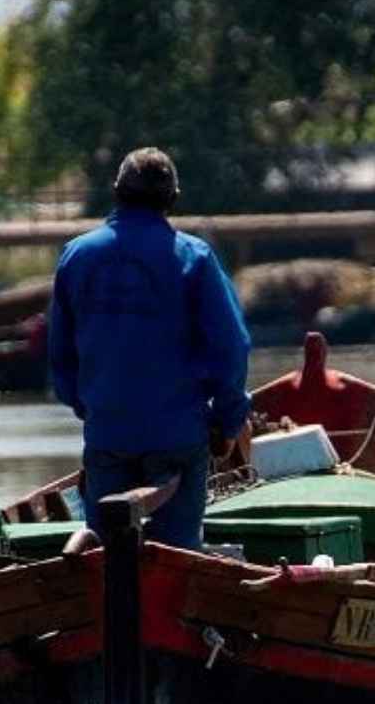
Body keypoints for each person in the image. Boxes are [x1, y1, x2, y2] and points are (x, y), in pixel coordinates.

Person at [47, 147, 252, 550]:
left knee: (106, 559)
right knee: (175, 556)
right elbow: (232, 348)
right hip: (177, 437)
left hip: (108, 435)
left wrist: (88, 405)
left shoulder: (77, 256)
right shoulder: (194, 257)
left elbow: (60, 355)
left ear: (117, 192)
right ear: (172, 199)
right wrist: (227, 425)